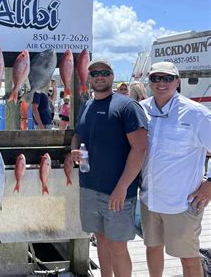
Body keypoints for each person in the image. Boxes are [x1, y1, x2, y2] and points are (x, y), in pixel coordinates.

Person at [68, 58, 148, 277]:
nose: (99, 76)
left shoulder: (127, 106)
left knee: (118, 246)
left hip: (118, 192)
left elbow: (140, 148)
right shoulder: (86, 105)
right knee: (100, 240)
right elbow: (78, 135)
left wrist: (122, 187)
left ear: (112, 76)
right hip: (89, 188)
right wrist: (75, 151)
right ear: (88, 78)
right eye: (94, 73)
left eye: (104, 72)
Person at [139, 61, 211, 277]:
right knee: (152, 249)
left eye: (167, 78)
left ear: (177, 81)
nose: (161, 83)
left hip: (183, 201)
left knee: (189, 258)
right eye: (156, 78)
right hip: (148, 199)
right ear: (149, 81)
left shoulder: (196, 113)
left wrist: (210, 183)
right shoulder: (141, 109)